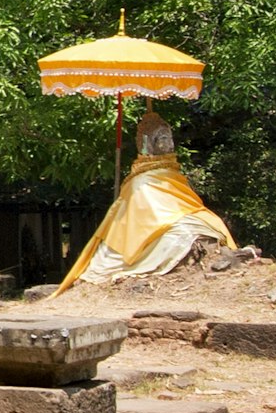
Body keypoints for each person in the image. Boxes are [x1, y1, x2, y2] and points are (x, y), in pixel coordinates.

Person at [62, 107, 235, 286]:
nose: (169, 143)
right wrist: (175, 220)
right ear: (149, 143)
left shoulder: (172, 173)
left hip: (182, 216)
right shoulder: (141, 180)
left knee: (214, 223)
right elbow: (149, 214)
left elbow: (187, 203)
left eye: (170, 137)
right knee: (180, 234)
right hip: (155, 227)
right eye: (163, 138)